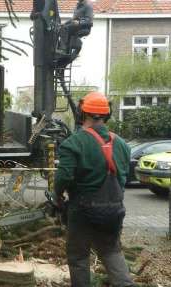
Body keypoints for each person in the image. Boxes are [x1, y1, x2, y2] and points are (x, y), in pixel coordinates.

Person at [54, 92, 135, 287]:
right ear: (107, 114)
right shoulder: (123, 144)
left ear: (83, 113)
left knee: (79, 256)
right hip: (115, 209)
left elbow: (64, 177)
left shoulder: (74, 143)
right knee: (111, 251)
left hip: (83, 210)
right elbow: (123, 176)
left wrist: (58, 196)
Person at [55, 0, 94, 67]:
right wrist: (63, 24)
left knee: (66, 28)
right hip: (75, 25)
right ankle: (60, 48)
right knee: (61, 29)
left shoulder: (88, 7)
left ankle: (63, 49)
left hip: (83, 27)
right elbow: (72, 19)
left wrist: (79, 22)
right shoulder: (77, 6)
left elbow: (89, 21)